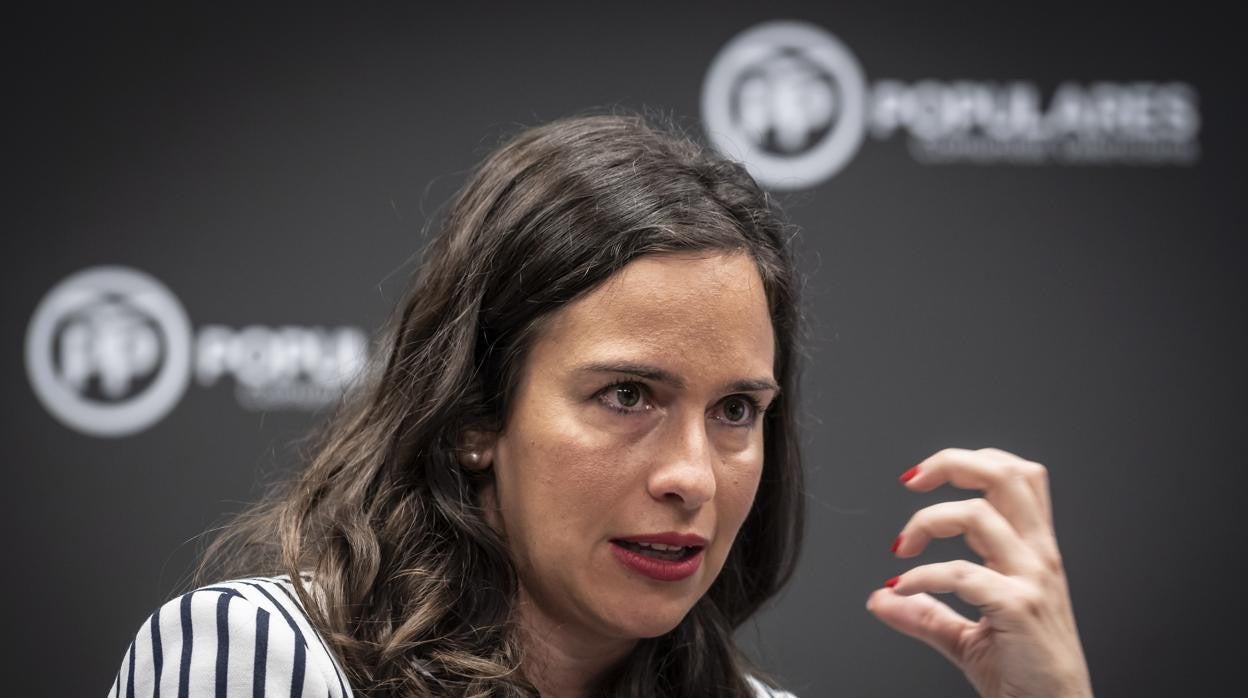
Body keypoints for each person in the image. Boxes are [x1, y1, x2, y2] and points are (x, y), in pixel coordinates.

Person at [108, 112, 1093, 697]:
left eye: (736, 410)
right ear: (475, 414)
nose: (692, 477)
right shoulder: (261, 658)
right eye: (628, 394)